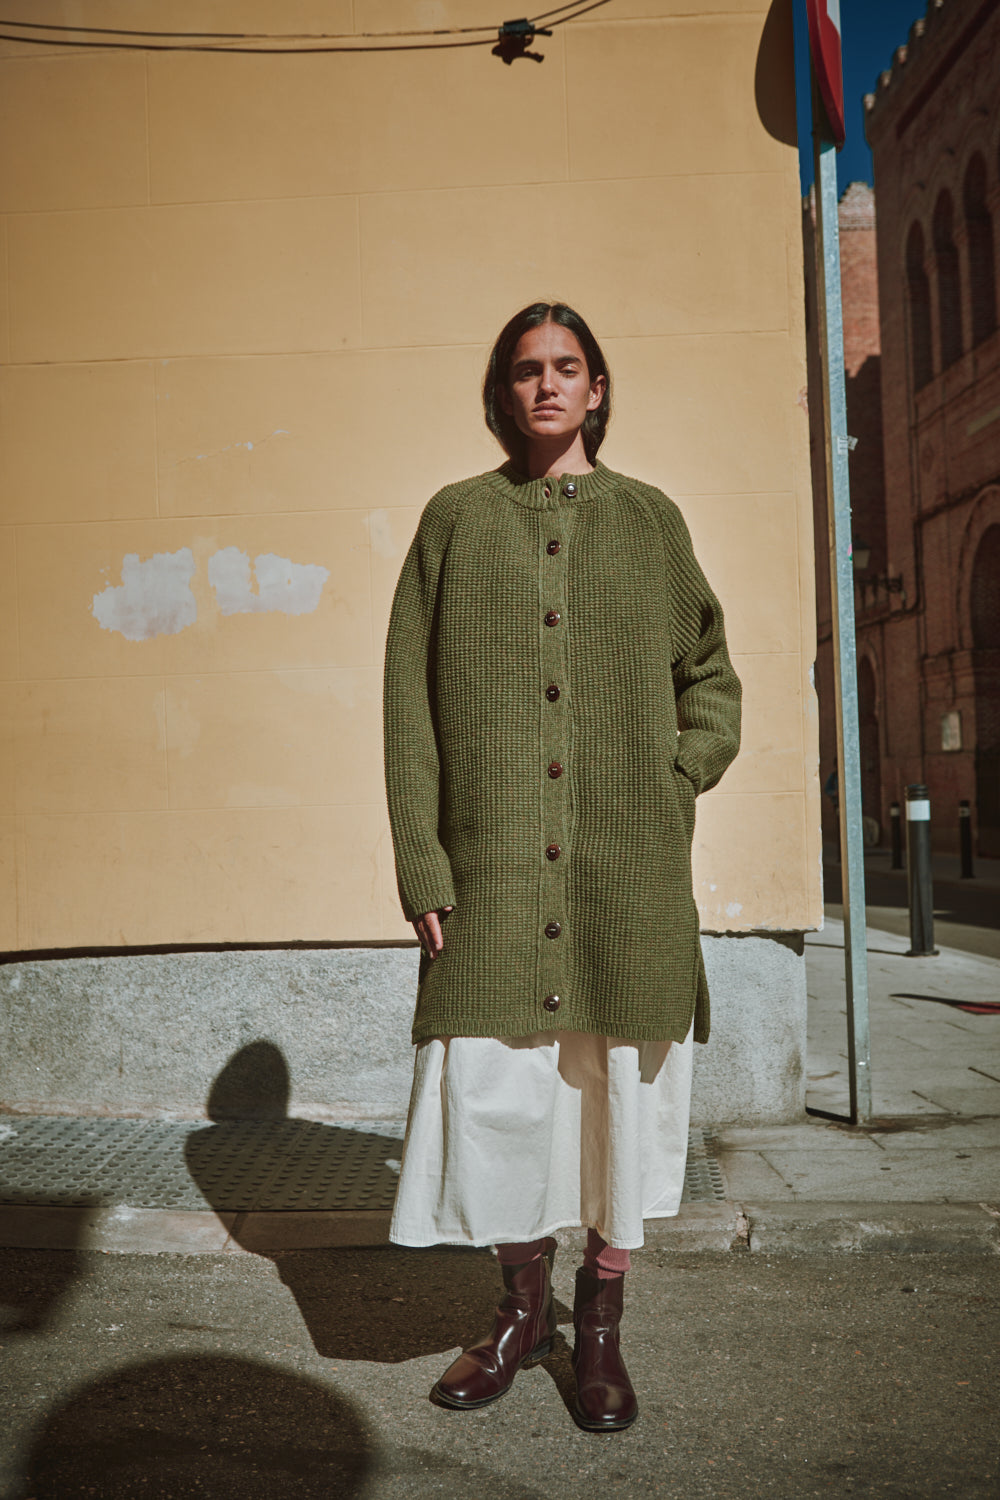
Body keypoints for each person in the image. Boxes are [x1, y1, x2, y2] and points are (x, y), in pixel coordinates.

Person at [382, 301, 741, 1432]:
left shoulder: (648, 520)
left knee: (615, 1102)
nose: (546, 384)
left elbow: (711, 677)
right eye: (526, 369)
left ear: (596, 388)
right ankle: (518, 1313)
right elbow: (407, 705)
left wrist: (676, 775)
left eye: (567, 367)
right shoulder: (455, 521)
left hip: (625, 874)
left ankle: (599, 1328)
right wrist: (422, 861)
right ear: (503, 392)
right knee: (499, 1098)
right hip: (491, 873)